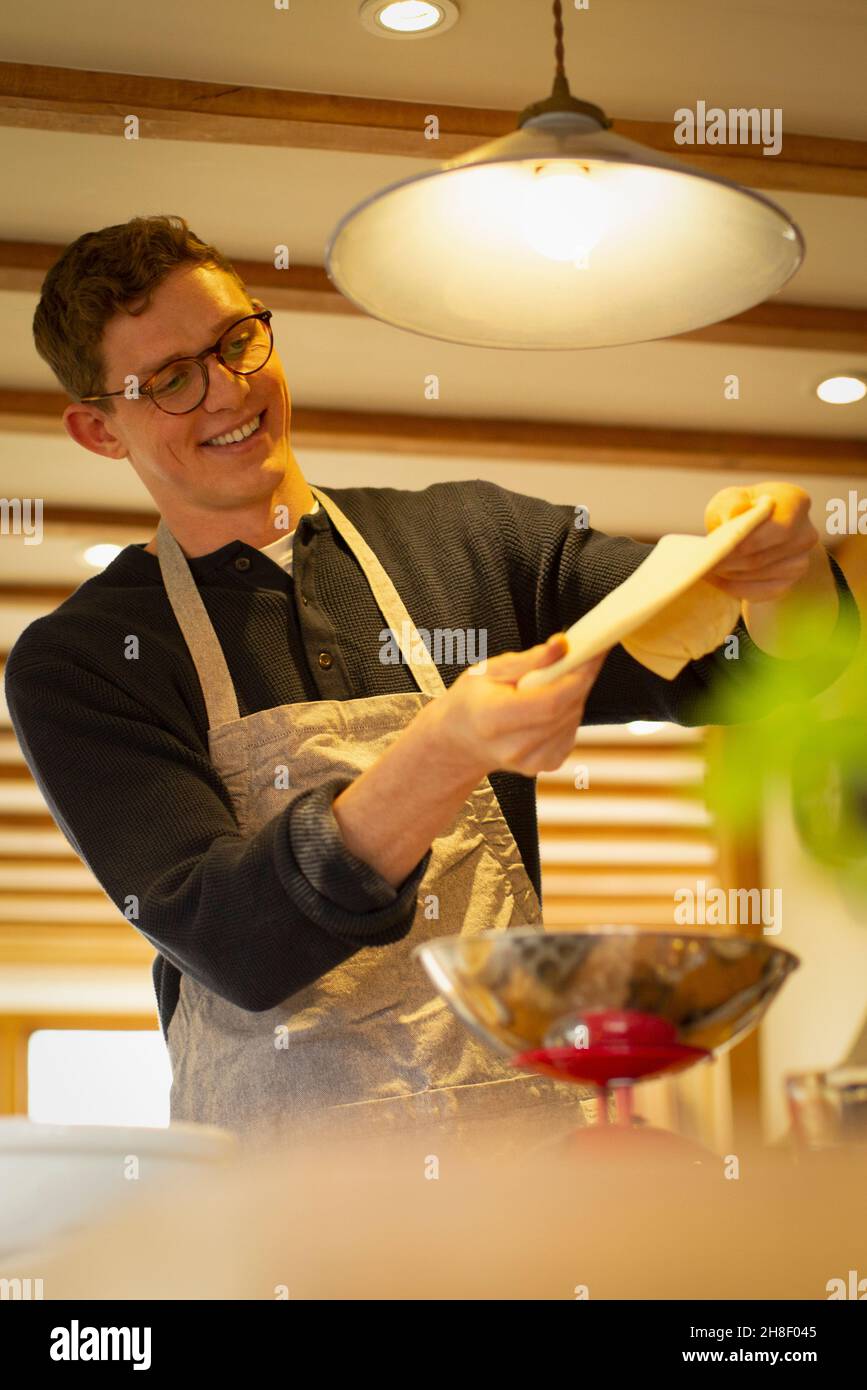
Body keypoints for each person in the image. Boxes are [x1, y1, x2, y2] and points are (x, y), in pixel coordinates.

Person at [4, 215, 858, 1149]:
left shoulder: (472, 543)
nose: (229, 391)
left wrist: (785, 570)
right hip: (276, 1215)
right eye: (170, 380)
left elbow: (745, 672)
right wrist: (444, 751)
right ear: (96, 428)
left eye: (238, 341)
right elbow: (234, 943)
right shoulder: (83, 659)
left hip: (521, 1179)